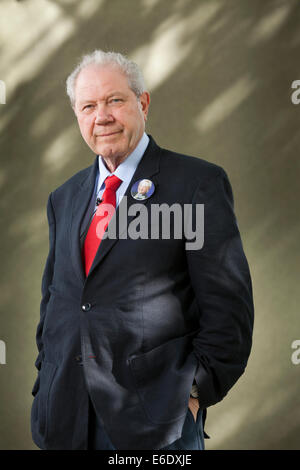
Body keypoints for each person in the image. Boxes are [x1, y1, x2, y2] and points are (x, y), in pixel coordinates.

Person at [31, 50, 254, 450]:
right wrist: (44, 381)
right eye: (88, 106)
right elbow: (56, 302)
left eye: (115, 100)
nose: (102, 116)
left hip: (155, 424)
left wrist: (193, 395)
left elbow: (229, 312)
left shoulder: (195, 184)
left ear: (143, 103)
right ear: (78, 116)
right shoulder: (63, 198)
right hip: (66, 420)